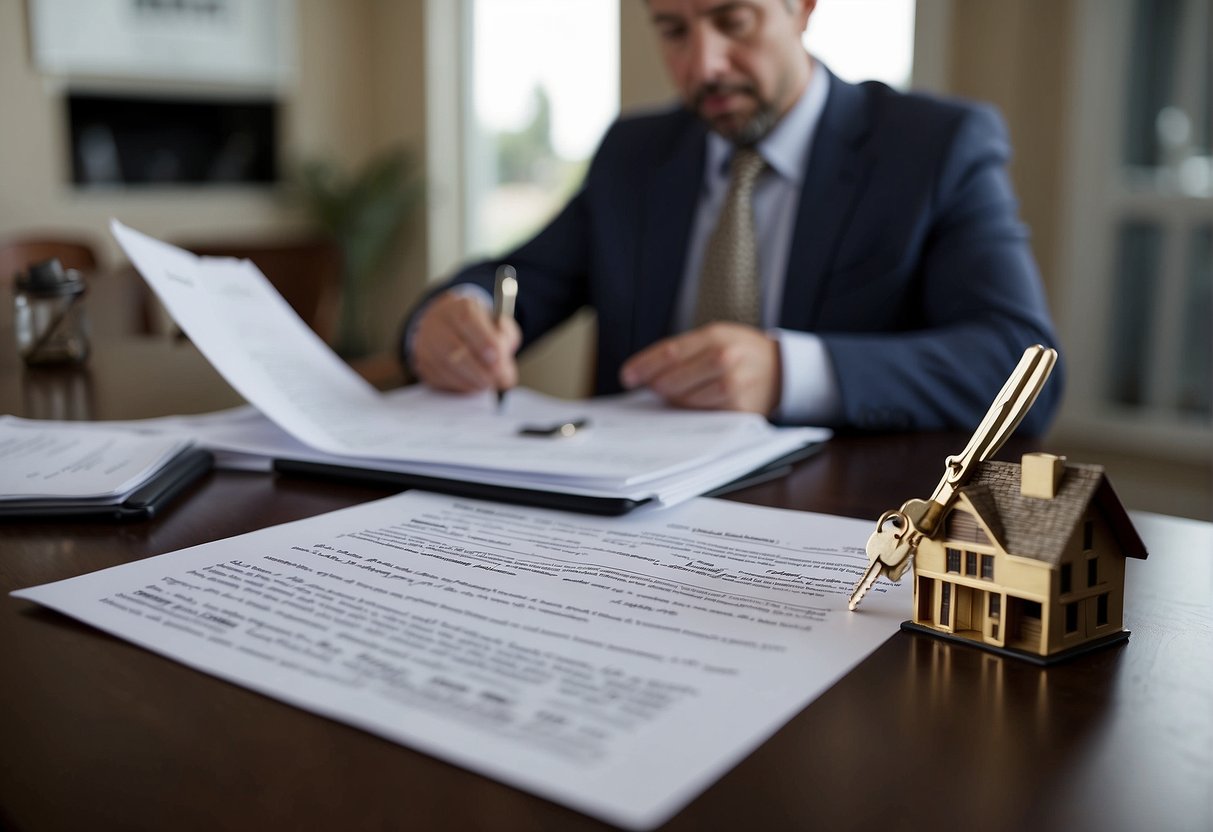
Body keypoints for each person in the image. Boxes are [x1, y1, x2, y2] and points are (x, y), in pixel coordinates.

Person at [401, 0, 1063, 434]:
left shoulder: (933, 147)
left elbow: (1024, 364)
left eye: (732, 20)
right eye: (672, 29)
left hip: (836, 546)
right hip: (626, 539)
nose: (703, 64)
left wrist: (786, 373)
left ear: (800, 8)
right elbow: (520, 277)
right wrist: (446, 318)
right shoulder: (635, 154)